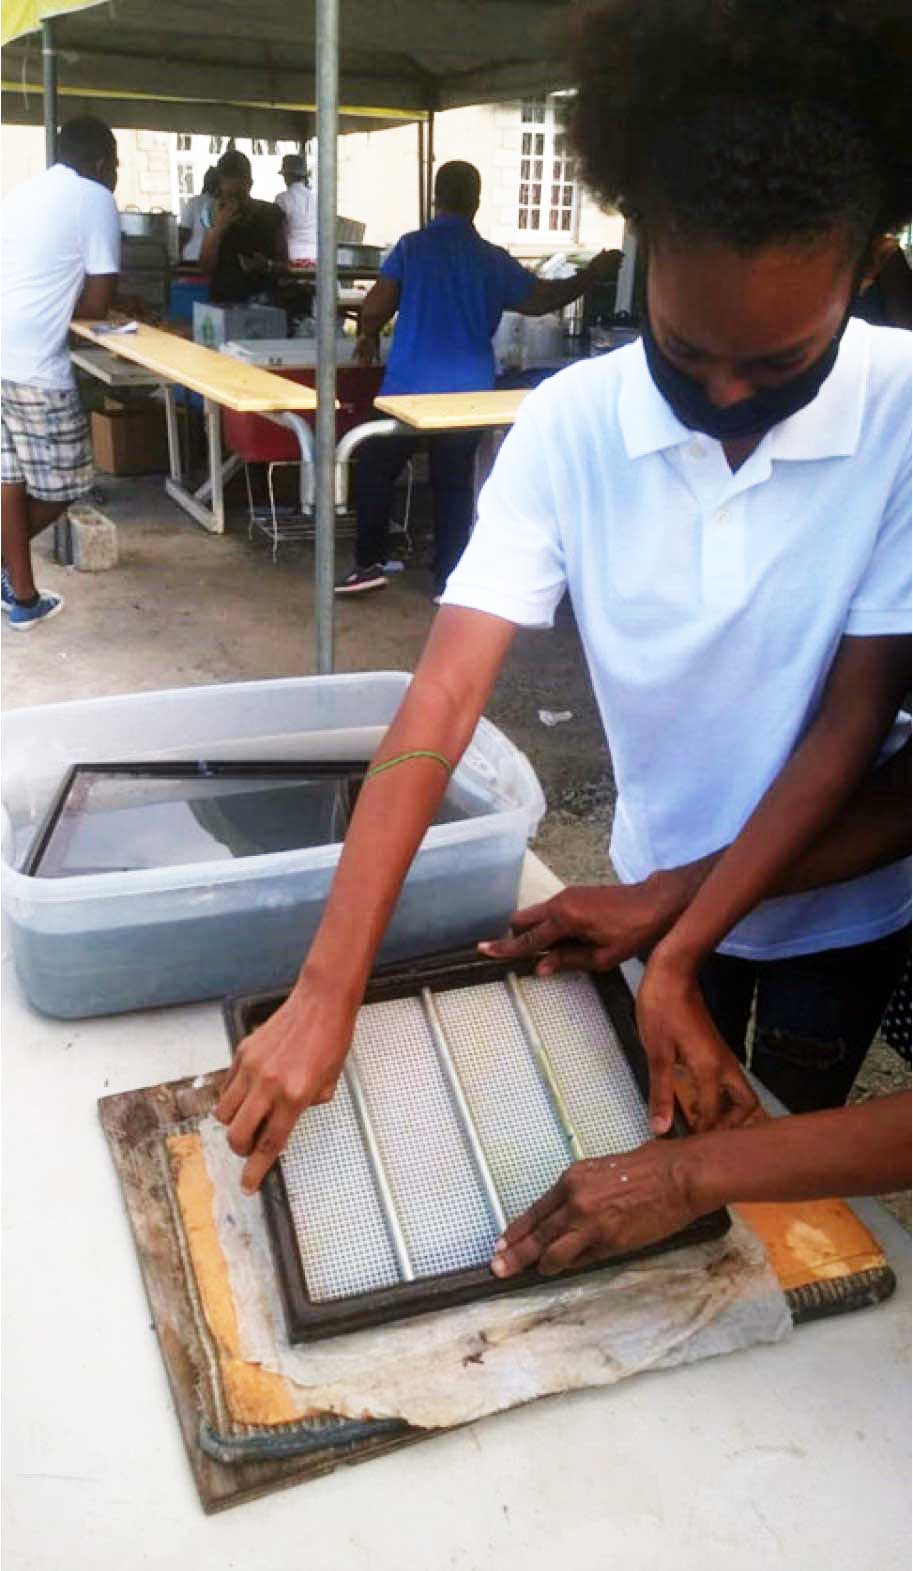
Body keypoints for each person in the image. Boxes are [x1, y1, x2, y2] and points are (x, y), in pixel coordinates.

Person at [216, 0, 910, 1197]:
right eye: (685, 355)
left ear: (867, 268)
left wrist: (683, 930)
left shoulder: (903, 418)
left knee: (774, 1156)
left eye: (783, 364)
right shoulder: (569, 426)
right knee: (646, 1119)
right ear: (639, 246)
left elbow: (857, 726)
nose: (728, 394)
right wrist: (328, 982)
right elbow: (440, 694)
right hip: (642, 882)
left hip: (829, 913)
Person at [486, 743, 912, 1275]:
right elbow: (888, 780)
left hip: (838, 927)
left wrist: (687, 1178)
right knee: (721, 1102)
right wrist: (673, 920)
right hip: (699, 896)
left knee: (786, 1133)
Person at [335, 159, 619, 600]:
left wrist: (369, 334)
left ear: (436, 196)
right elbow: (543, 300)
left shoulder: (412, 248)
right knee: (454, 483)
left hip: (408, 389)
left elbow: (374, 307)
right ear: (476, 202)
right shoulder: (492, 260)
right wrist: (591, 275)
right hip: (469, 392)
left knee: (375, 467)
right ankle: (447, 578)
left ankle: (369, 564)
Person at [1, 115, 120, 632]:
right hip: (32, 365)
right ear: (99, 163)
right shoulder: (94, 197)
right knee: (66, 480)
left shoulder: (22, 193)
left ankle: (21, 596)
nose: (116, 175)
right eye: (115, 165)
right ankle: (9, 575)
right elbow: (96, 302)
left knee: (10, 478)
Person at [199, 149, 287, 305]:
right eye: (229, 194)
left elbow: (284, 265)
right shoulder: (211, 213)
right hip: (224, 301)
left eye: (240, 194)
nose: (234, 201)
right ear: (220, 185)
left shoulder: (271, 213)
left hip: (264, 301)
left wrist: (266, 265)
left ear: (250, 184)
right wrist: (219, 228)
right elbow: (206, 267)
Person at [275, 153, 317, 265]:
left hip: (291, 256)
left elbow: (278, 230)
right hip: (317, 256)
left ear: (287, 176)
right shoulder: (317, 198)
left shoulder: (282, 198)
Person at [179, 166, 219, 264]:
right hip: (214, 259)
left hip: (192, 257)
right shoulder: (223, 204)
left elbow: (184, 233)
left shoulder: (193, 202)